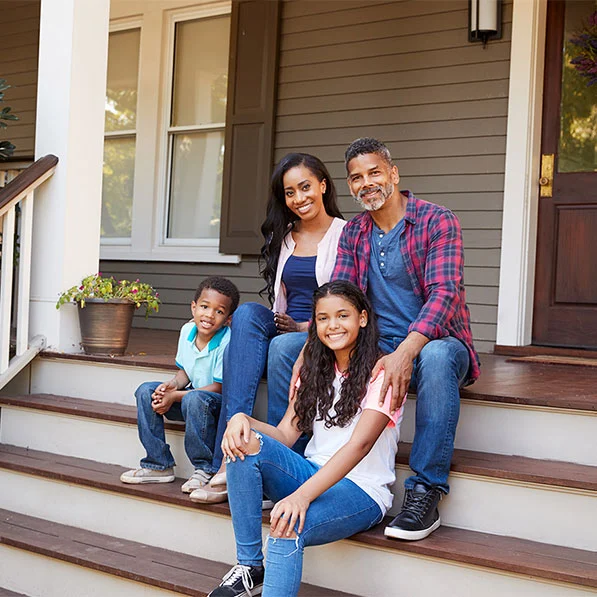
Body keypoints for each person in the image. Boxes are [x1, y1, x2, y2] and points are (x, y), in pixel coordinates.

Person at [269, 137, 481, 541]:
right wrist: (312, 346)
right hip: (374, 352)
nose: (366, 183)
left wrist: (405, 351)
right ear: (349, 186)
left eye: (374, 173)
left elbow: (445, 294)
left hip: (434, 343)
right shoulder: (354, 234)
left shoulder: (437, 221)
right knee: (284, 348)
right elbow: (340, 300)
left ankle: (425, 490)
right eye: (356, 178)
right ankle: (290, 465)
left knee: (435, 358)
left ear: (393, 174)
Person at [208, 281, 403, 597]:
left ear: (363, 319)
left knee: (286, 525)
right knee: (243, 442)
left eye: (343, 316)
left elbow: (359, 445)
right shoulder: (313, 370)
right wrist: (241, 420)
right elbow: (285, 434)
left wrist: (301, 497)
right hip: (310, 472)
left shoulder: (384, 373)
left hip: (362, 491)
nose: (333, 325)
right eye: (323, 318)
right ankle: (250, 566)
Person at [190, 153, 345, 504]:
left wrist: (305, 326)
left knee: (282, 347)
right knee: (245, 314)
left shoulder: (346, 234)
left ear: (323, 185)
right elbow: (279, 301)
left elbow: (346, 303)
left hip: (322, 332)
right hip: (284, 324)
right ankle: (228, 459)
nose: (299, 198)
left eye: (305, 187)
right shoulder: (285, 236)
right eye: (290, 192)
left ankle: (274, 467)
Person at [120, 276, 239, 495]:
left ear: (228, 319)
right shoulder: (187, 331)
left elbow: (220, 387)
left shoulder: (227, 340)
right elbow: (186, 371)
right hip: (190, 400)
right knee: (147, 390)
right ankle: (158, 464)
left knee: (194, 399)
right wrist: (171, 385)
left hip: (214, 405)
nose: (209, 315)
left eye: (219, 311)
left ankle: (204, 469)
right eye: (204, 307)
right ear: (194, 307)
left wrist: (175, 397)